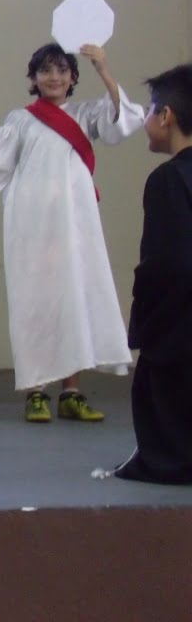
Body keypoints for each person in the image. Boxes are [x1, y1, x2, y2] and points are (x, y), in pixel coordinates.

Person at [0, 43, 145, 422]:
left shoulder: (86, 114)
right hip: (32, 226)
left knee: (74, 303)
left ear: (73, 77)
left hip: (75, 226)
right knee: (36, 304)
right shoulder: (21, 121)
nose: (54, 77)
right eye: (45, 70)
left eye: (61, 70)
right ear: (33, 78)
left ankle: (71, 393)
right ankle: (36, 392)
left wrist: (104, 68)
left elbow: (124, 121)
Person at [115, 64, 192, 484]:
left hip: (179, 332)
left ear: (166, 116)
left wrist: (144, 324)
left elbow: (168, 264)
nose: (146, 119)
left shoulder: (168, 180)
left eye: (149, 110)